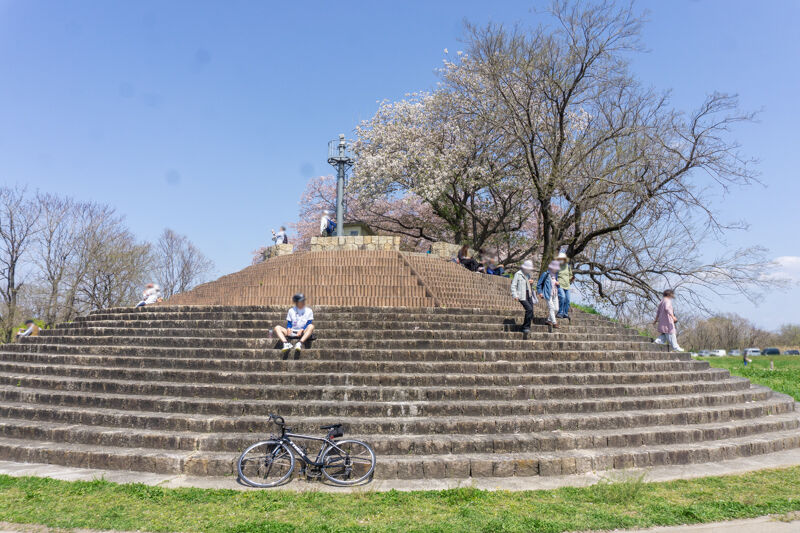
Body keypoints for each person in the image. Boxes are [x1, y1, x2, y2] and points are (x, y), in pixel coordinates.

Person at [511, 260, 538, 333]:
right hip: (522, 295)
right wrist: (515, 295)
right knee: (529, 309)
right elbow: (513, 285)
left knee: (531, 311)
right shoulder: (518, 274)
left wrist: (531, 283)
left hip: (529, 294)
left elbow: (528, 286)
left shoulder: (528, 275)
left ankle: (525, 326)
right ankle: (526, 327)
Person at [537, 260, 561, 328]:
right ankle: (554, 323)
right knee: (552, 308)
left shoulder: (556, 275)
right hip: (548, 294)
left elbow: (557, 285)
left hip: (555, 293)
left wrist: (558, 284)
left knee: (556, 309)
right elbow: (539, 284)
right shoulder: (545, 274)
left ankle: (548, 320)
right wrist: (540, 292)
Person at [556, 252, 574, 319]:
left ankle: (565, 313)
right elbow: (553, 275)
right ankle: (560, 313)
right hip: (560, 285)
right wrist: (555, 281)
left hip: (567, 286)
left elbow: (570, 275)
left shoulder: (568, 266)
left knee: (568, 300)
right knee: (562, 297)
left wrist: (572, 279)